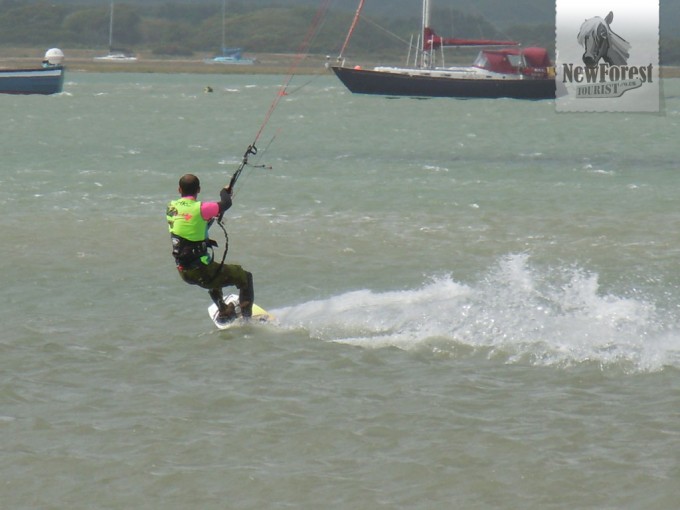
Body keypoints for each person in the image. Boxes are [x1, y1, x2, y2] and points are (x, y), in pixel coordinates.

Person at [166, 174, 254, 323]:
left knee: (214, 272)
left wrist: (210, 218)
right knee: (245, 277)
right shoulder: (202, 208)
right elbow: (226, 203)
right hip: (202, 272)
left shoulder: (171, 207)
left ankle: (224, 310)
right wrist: (224, 192)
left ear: (179, 189)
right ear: (198, 189)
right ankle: (247, 320)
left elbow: (190, 224)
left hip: (184, 271)